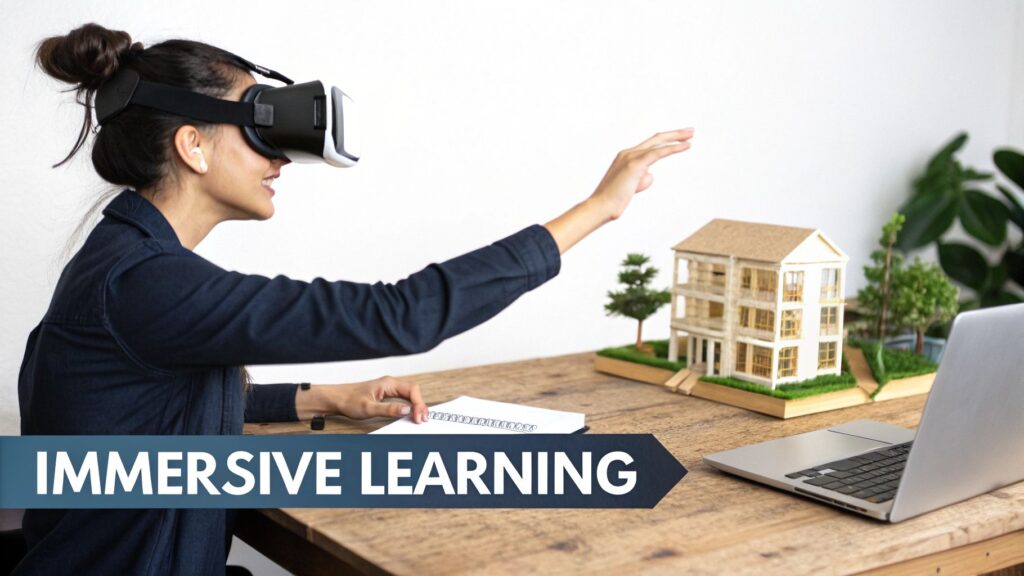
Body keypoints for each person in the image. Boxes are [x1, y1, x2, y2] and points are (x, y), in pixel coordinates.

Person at [16, 22, 694, 576]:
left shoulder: (127, 264)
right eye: (260, 131)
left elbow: (148, 407)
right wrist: (598, 210)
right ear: (192, 146)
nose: (279, 160)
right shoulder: (146, 284)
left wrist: (320, 400)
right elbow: (401, 314)